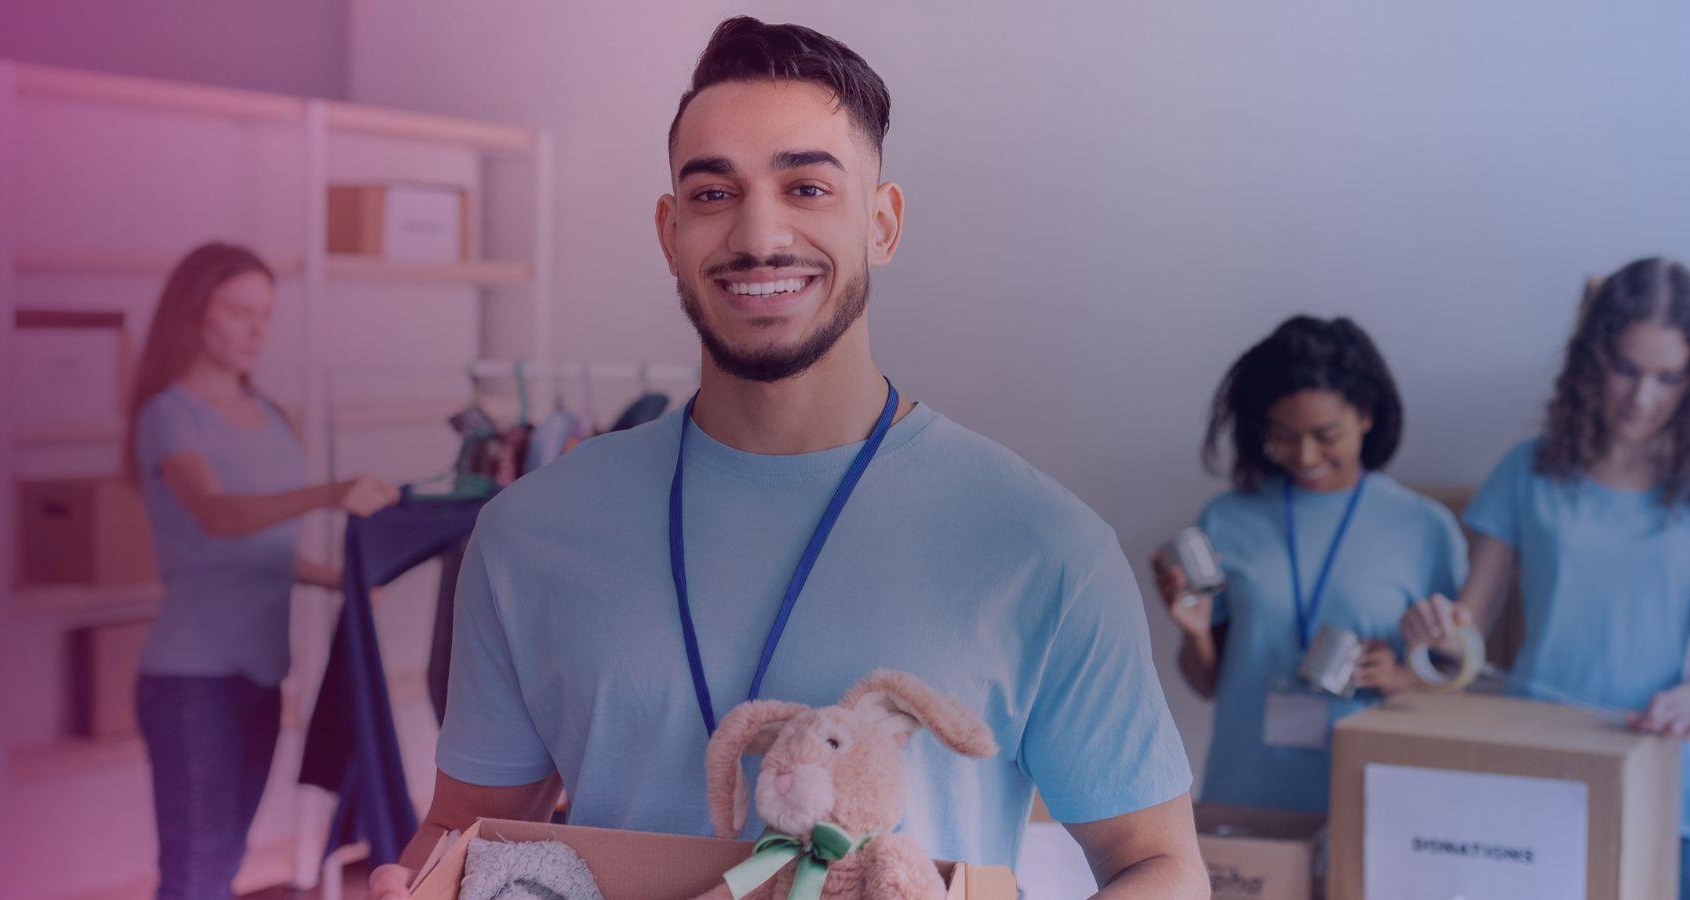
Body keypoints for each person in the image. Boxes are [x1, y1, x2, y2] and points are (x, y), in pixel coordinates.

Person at [365, 17, 1202, 898]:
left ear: (882, 224)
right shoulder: (528, 533)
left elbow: (1158, 864)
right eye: (713, 194)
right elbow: (465, 833)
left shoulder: (1044, 546)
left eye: (806, 187)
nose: (758, 236)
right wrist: (412, 884)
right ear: (670, 231)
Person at [1402, 257, 1690, 900]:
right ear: (1592, 360)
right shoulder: (1527, 471)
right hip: (1533, 774)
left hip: (1659, 779)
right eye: (1625, 370)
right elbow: (1465, 631)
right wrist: (1433, 633)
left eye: (1668, 378)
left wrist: (1687, 701)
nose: (1642, 399)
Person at [125, 241, 398, 900]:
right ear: (193, 314)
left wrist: (340, 581)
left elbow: (259, 549)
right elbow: (217, 517)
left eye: (265, 314)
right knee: (195, 874)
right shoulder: (169, 415)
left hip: (262, 675)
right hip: (192, 681)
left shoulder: (273, 417)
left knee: (224, 864)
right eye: (238, 311)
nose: (256, 330)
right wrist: (329, 492)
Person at [1155, 315, 1464, 812]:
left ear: (1366, 415)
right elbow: (1209, 685)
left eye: (1325, 434)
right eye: (1282, 435)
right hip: (1245, 791)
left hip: (1372, 798)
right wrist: (1193, 633)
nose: (1304, 455)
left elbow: (1458, 683)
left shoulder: (1424, 528)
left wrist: (1402, 679)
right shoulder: (1228, 518)